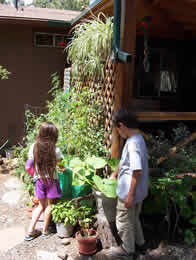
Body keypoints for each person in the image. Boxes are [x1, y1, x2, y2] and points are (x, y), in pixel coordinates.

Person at [110, 109, 149, 258]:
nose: (118, 133)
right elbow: (125, 161)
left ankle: (128, 250)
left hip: (129, 193)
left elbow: (137, 171)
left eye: (117, 130)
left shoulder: (132, 144)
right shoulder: (138, 138)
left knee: (123, 222)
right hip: (140, 191)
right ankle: (140, 243)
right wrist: (115, 173)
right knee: (134, 219)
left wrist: (129, 196)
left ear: (122, 125)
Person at [24, 122, 63, 241]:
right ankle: (45, 231)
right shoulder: (56, 150)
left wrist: (34, 175)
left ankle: (30, 231)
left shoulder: (33, 147)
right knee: (49, 205)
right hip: (52, 180)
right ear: (54, 136)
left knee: (40, 205)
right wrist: (61, 167)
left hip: (39, 180)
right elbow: (61, 163)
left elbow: (27, 166)